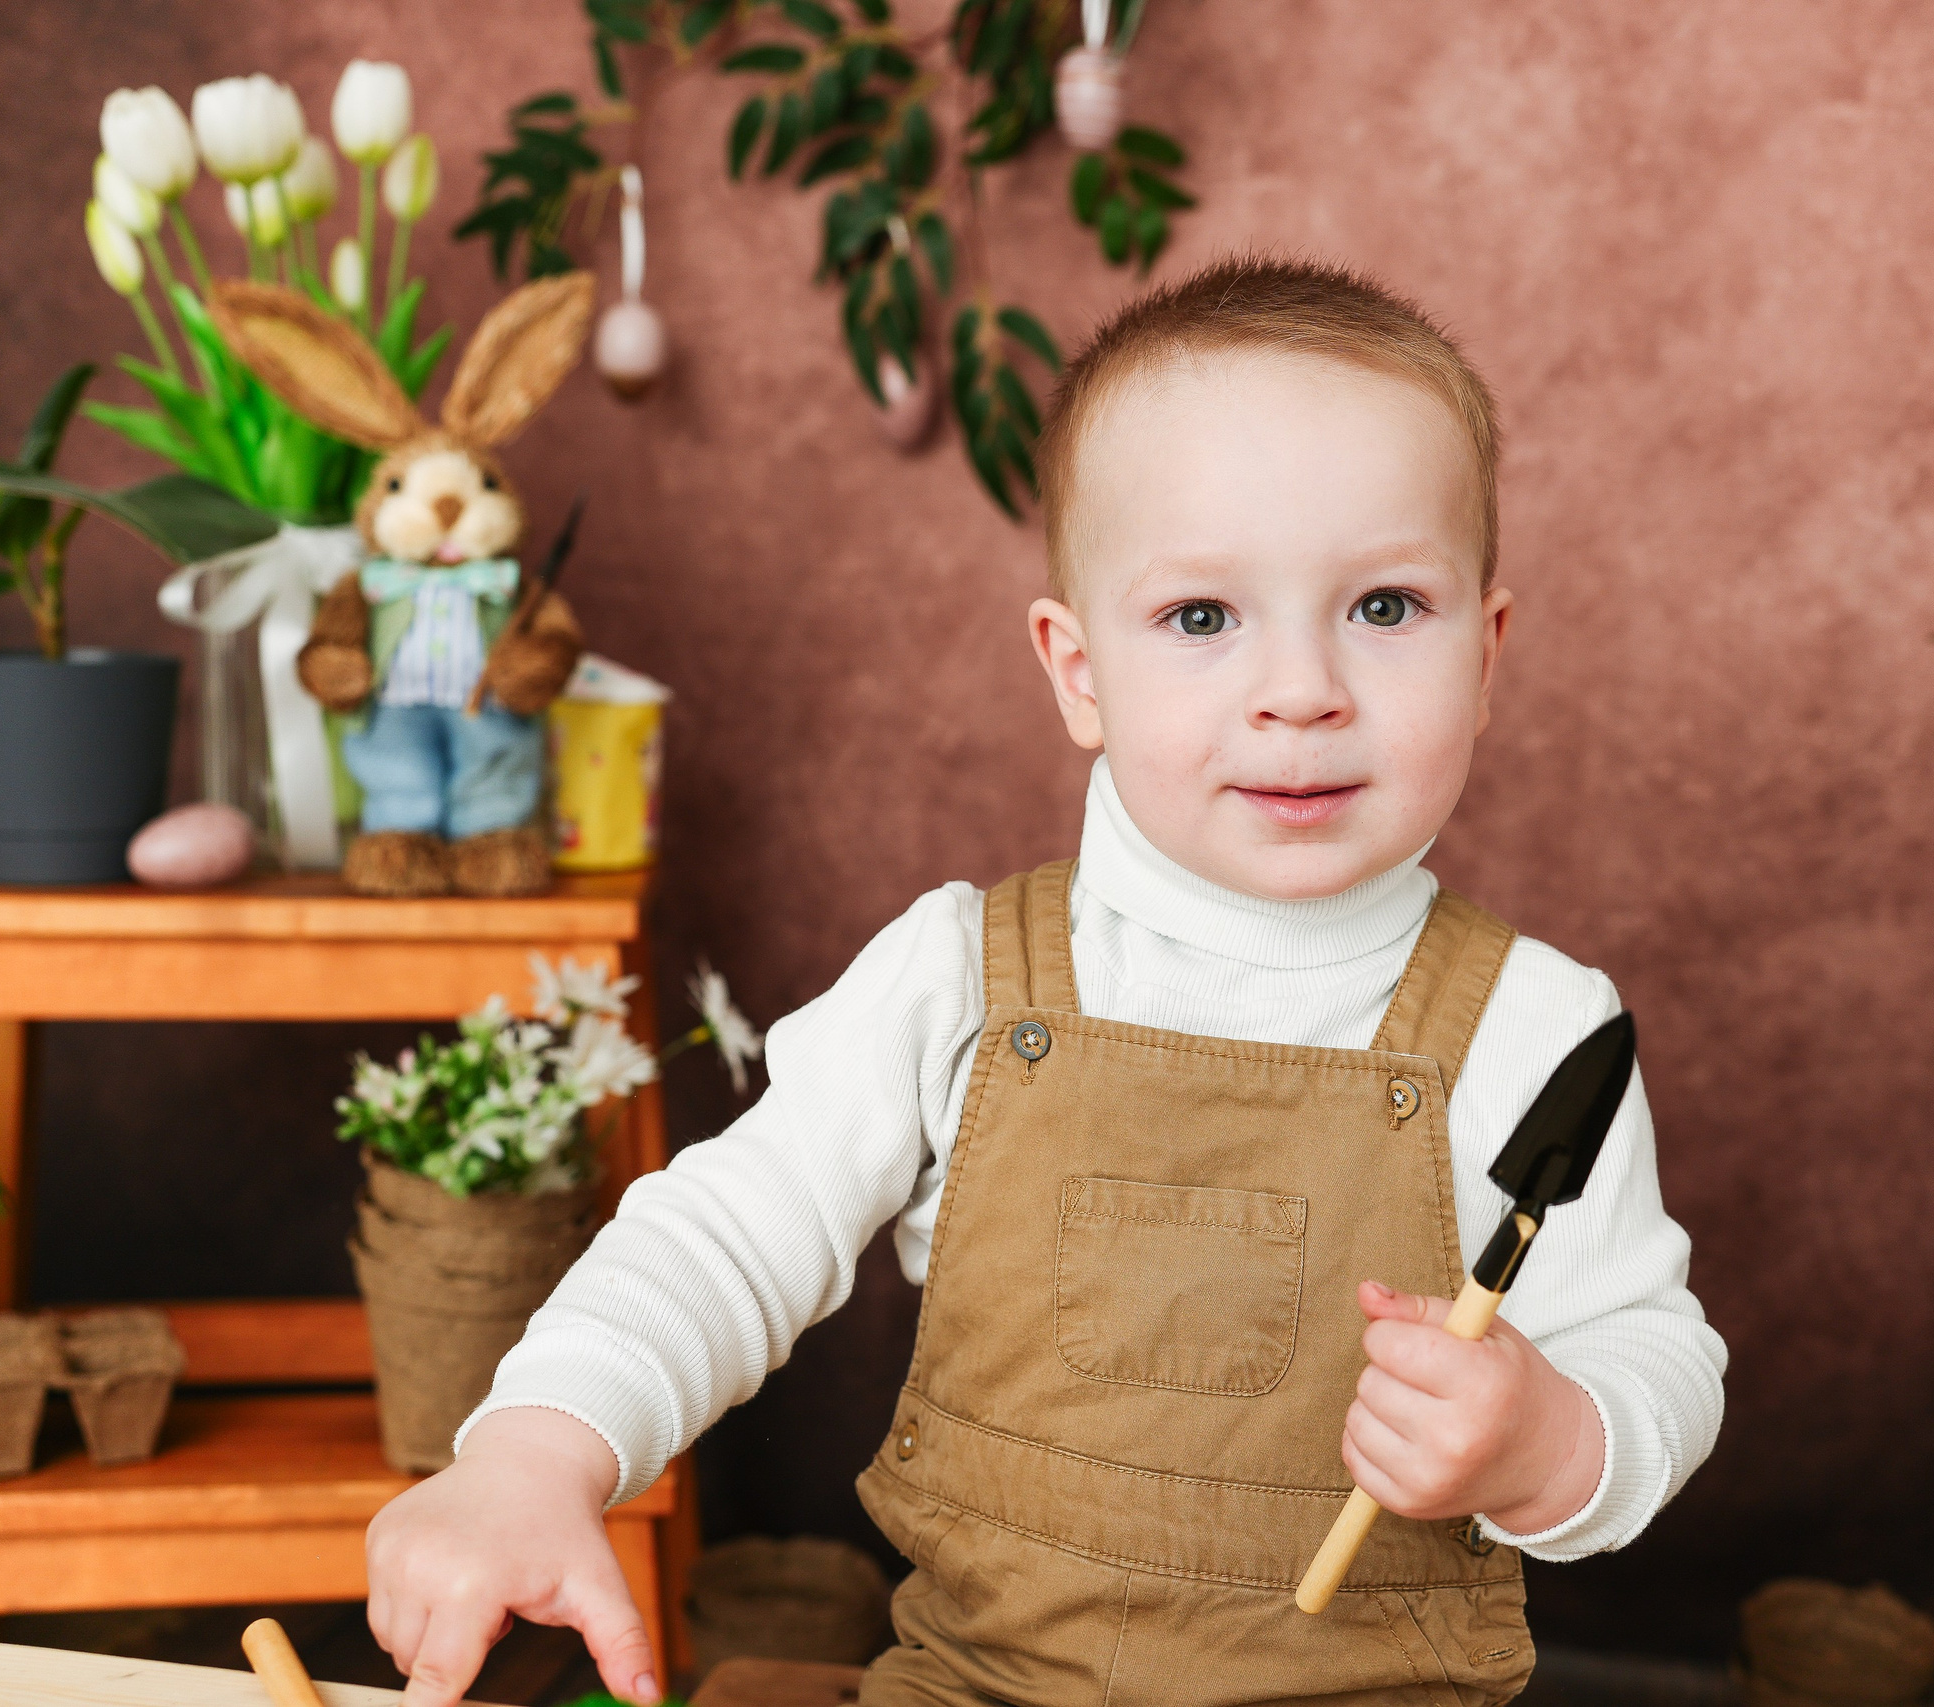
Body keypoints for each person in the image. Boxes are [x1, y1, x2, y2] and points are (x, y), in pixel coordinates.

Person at [363, 255, 1727, 1707]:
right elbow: (723, 1238)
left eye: (1385, 607)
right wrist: (532, 1451)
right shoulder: (956, 980)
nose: (1303, 690)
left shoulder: (1537, 1027)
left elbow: (1652, 1355)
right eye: (1202, 618)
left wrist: (1544, 1441)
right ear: (1078, 672)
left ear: (1488, 652)